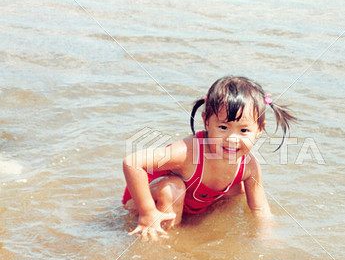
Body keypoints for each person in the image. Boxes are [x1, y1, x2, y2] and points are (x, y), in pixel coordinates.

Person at [122, 76, 296, 241]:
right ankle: (165, 237)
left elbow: (259, 208)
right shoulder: (188, 153)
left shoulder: (249, 166)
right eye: (223, 127)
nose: (232, 139)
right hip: (147, 198)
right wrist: (147, 211)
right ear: (206, 122)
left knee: (239, 190)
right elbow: (132, 163)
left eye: (243, 131)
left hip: (194, 200)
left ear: (259, 129)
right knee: (172, 188)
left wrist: (267, 236)